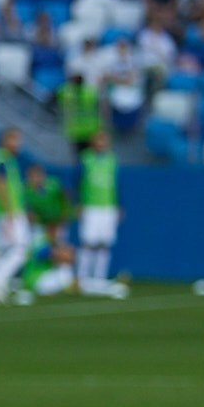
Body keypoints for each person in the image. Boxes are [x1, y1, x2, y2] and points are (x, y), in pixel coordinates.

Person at [75, 127, 126, 296]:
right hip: (91, 206)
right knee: (88, 242)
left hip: (108, 207)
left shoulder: (112, 159)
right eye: (99, 140)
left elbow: (116, 183)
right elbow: (78, 182)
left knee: (105, 243)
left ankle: (99, 278)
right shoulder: (86, 159)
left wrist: (119, 204)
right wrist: (79, 203)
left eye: (104, 140)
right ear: (93, 142)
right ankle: (82, 278)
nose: (101, 143)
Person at [0, 124, 28, 306]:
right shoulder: (1, 159)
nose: (18, 143)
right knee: (21, 249)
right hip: (5, 213)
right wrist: (9, 212)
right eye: (14, 139)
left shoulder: (5, 159)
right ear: (5, 140)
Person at [55, 69, 104, 156]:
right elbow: (97, 109)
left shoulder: (66, 91)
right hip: (89, 128)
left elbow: (54, 98)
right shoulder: (90, 92)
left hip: (76, 129)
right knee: (88, 155)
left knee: (80, 155)